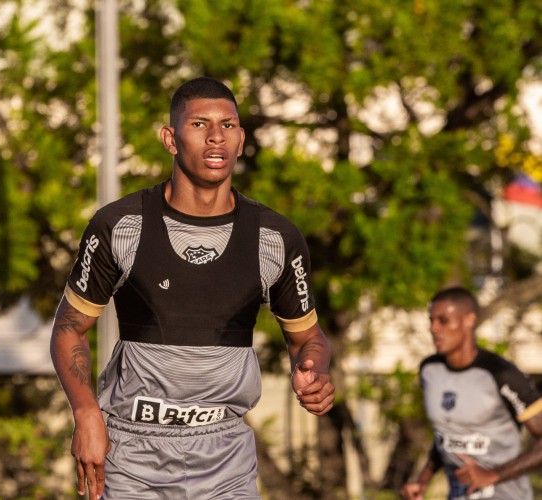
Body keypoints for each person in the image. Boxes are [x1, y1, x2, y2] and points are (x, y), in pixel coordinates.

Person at [50, 76, 335, 500]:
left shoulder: (275, 237)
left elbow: (308, 338)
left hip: (225, 458)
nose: (216, 136)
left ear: (241, 140)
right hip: (134, 456)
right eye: (199, 124)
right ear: (170, 138)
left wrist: (314, 370)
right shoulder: (121, 226)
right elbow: (69, 329)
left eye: (229, 125)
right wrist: (86, 412)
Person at [401, 286, 542, 500]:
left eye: (443, 320)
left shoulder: (500, 373)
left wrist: (492, 475)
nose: (434, 329)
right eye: (431, 320)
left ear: (469, 320)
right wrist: (423, 480)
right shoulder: (429, 370)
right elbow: (446, 436)